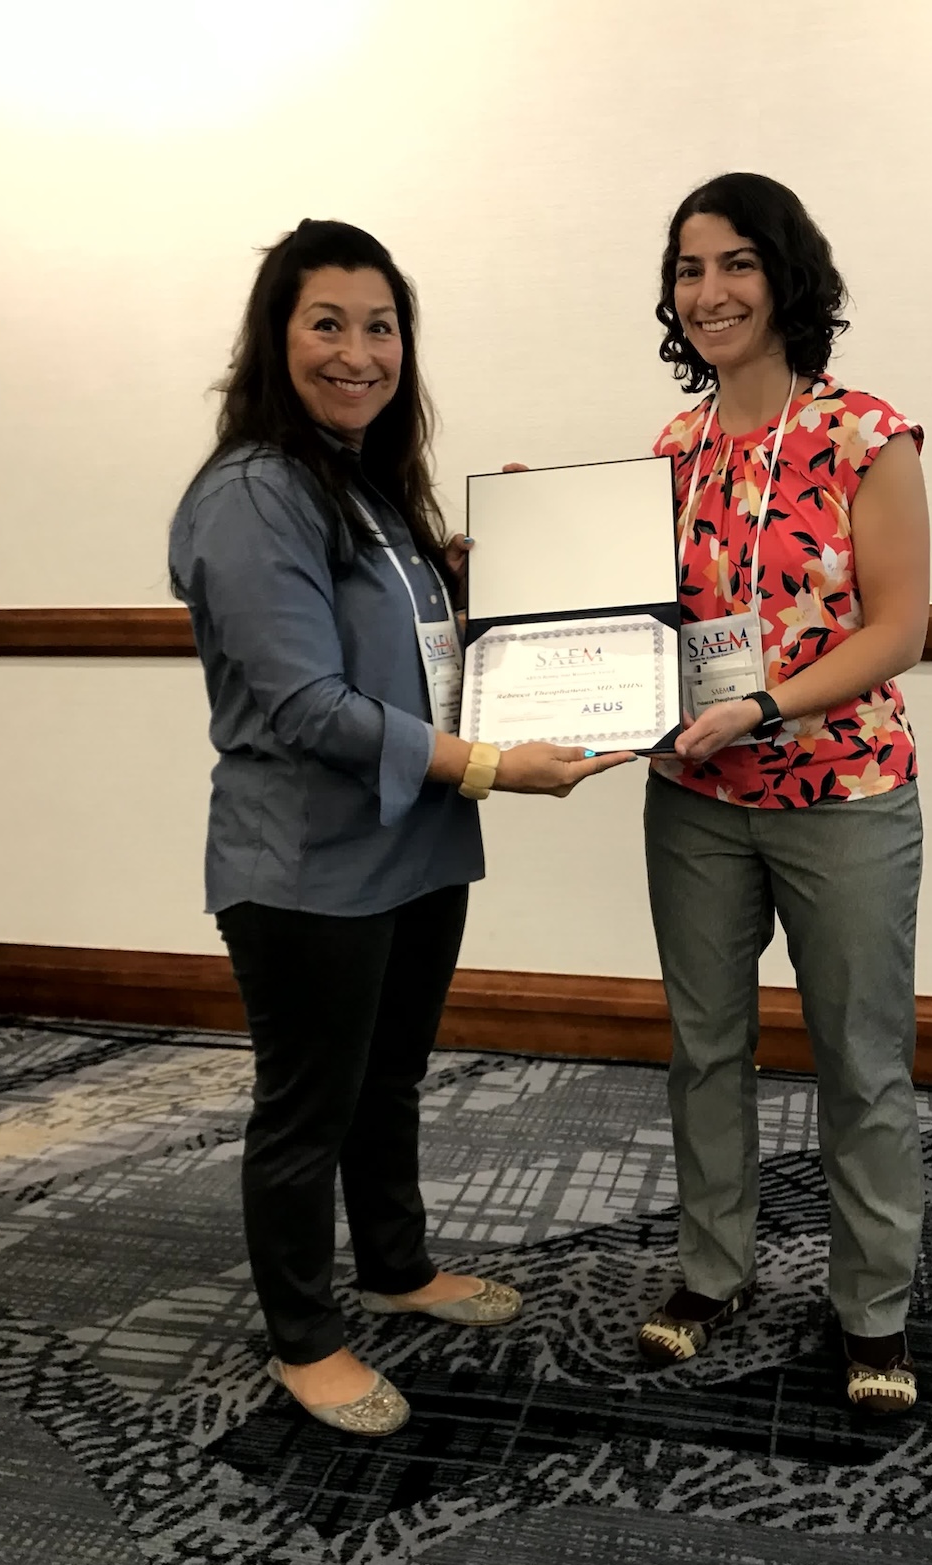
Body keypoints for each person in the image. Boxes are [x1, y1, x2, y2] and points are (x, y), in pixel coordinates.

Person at [169, 219, 632, 1436]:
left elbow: (407, 644)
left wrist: (503, 562)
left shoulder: (364, 486)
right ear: (277, 336)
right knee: (306, 1104)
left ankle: (394, 1263)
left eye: (382, 326)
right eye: (328, 322)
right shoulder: (254, 492)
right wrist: (492, 765)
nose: (358, 351)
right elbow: (304, 700)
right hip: (309, 864)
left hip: (415, 843)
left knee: (392, 1078)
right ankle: (303, 1338)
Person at [637, 173, 930, 1413]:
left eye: (738, 264)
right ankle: (716, 1269)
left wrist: (765, 705)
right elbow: (633, 621)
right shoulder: (665, 451)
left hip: (842, 789)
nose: (712, 293)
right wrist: (529, 556)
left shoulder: (867, 433)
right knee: (706, 1047)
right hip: (696, 794)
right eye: (691, 269)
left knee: (860, 1058)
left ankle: (873, 1309)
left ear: (787, 276)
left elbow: (901, 629)